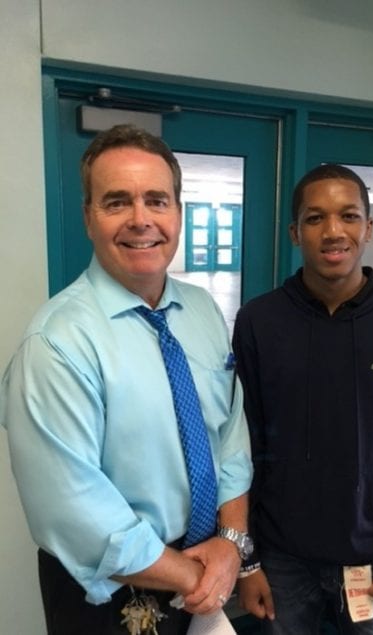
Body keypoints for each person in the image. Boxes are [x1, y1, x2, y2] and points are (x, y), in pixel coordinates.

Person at [0, 124, 254, 635]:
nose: (142, 220)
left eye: (157, 200)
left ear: (178, 213)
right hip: (111, 593)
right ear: (89, 217)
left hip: (202, 567)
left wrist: (230, 544)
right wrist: (200, 575)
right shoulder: (56, 345)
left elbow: (230, 438)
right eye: (117, 202)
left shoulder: (203, 311)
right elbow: (76, 513)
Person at [232, 164, 373, 635]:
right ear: (295, 232)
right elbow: (240, 448)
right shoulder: (258, 321)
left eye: (348, 216)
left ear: (368, 228)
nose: (333, 232)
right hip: (283, 558)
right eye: (315, 219)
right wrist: (247, 560)